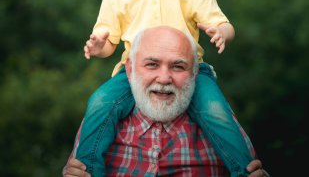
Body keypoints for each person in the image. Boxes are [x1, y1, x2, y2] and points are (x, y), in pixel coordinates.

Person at [75, 0, 253, 176]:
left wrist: (223, 33)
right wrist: (99, 47)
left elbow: (224, 24)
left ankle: (245, 170)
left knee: (216, 112)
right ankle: (87, 169)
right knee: (99, 102)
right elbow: (109, 41)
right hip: (134, 72)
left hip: (188, 71)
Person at [64, 27, 269, 177]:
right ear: (129, 69)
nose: (164, 78)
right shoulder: (103, 117)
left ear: (195, 72)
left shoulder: (219, 121)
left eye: (178, 67)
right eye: (152, 65)